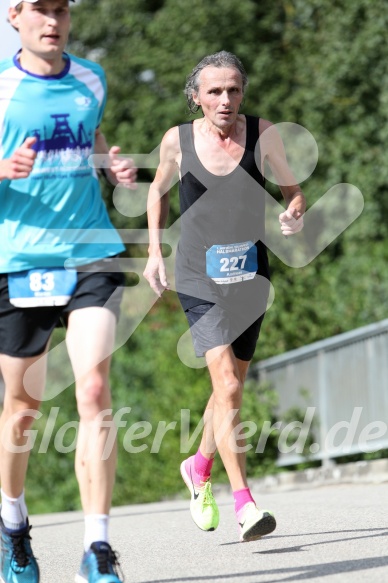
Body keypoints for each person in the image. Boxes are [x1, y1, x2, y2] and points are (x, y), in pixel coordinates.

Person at [144, 51, 305, 542]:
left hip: (251, 274)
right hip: (198, 274)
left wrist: (294, 211)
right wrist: (154, 252)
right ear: (196, 97)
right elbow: (157, 191)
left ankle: (199, 465)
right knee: (229, 388)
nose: (225, 99)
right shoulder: (178, 140)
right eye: (214, 91)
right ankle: (245, 503)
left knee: (229, 387)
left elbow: (293, 191)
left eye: (233, 90)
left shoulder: (263, 134)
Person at [0, 1, 137, 581]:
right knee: (21, 410)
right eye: (39, 9)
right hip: (18, 260)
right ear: (14, 18)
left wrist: (112, 163)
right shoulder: (2, 88)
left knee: (95, 389)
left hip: (90, 253)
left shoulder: (91, 77)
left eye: (60, 9)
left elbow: (93, 134)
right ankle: (12, 526)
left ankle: (97, 550)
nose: (51, 19)